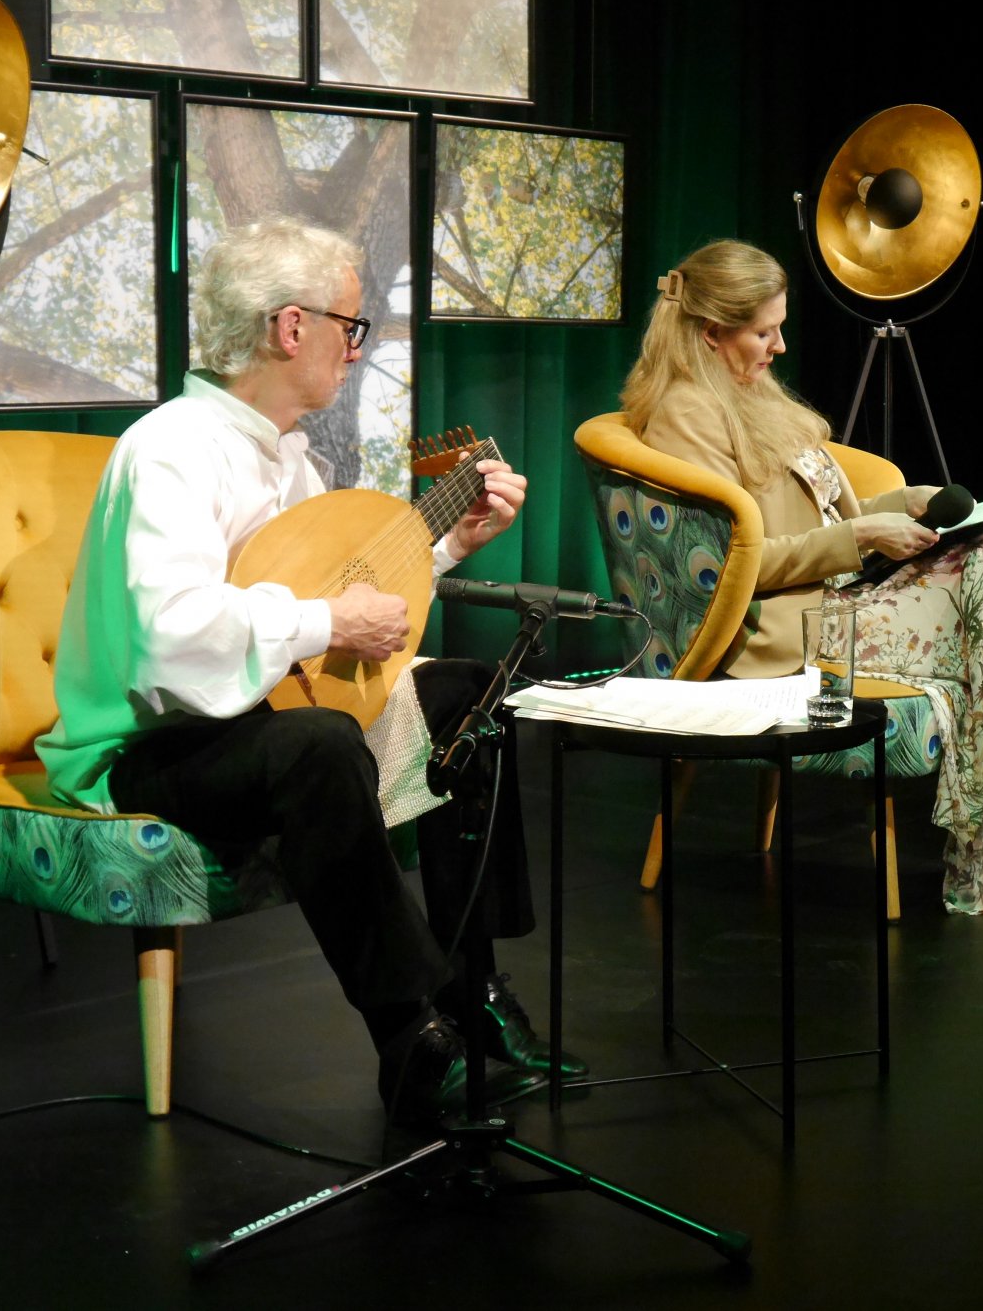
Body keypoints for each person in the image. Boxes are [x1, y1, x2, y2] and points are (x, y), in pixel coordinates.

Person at [34, 217, 579, 1124]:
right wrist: (329, 619)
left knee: (467, 693)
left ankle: (474, 992)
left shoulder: (290, 458)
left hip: (252, 716)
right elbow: (173, 637)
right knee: (319, 745)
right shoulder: (171, 449)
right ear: (292, 327)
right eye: (350, 327)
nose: (356, 350)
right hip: (151, 744)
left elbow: (331, 607)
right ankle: (411, 1039)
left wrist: (447, 545)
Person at [619, 240, 983, 916]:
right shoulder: (687, 415)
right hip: (785, 633)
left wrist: (904, 503)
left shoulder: (750, 392)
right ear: (711, 333)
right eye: (764, 332)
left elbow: (823, 511)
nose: (780, 346)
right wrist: (863, 537)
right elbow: (733, 564)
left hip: (834, 598)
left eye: (780, 327)